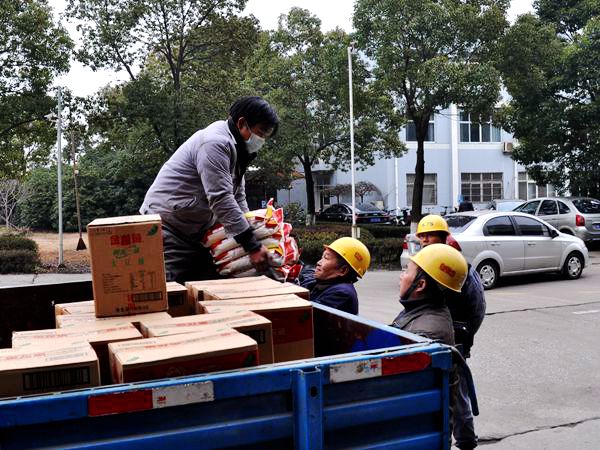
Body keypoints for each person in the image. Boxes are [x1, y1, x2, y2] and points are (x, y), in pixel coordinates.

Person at [140, 96, 279, 283]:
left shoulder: (238, 150)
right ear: (242, 123)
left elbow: (238, 197)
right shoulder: (215, 143)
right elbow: (221, 198)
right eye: (260, 133)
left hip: (196, 230)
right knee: (170, 289)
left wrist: (252, 231)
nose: (261, 140)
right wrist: (252, 246)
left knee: (209, 284)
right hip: (169, 225)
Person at [415, 214, 486, 450]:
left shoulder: (455, 266)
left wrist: (463, 336)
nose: (425, 240)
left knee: (457, 394)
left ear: (443, 237)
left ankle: (465, 440)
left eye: (430, 235)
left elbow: (477, 307)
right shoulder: (425, 264)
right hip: (432, 338)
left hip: (453, 339)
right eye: (422, 236)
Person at [391, 243, 467, 345]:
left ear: (420, 285)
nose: (401, 276)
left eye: (407, 271)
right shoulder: (423, 309)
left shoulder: (421, 335)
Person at [299, 237, 371, 315]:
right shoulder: (325, 282)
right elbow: (307, 274)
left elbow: (305, 315)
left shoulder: (342, 293)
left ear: (343, 270)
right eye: (322, 257)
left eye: (326, 258)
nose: (318, 262)